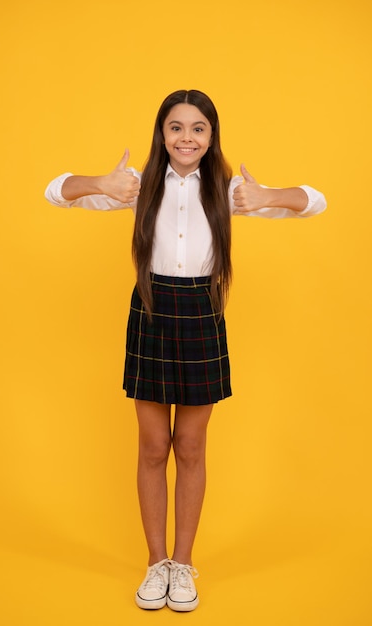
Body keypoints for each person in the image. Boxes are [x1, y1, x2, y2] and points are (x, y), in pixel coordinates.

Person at [45, 89, 326, 612]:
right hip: (151, 311)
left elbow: (315, 200)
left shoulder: (229, 189)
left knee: (190, 447)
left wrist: (267, 197)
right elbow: (55, 191)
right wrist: (100, 184)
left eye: (198, 128)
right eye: (176, 127)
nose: (187, 138)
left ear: (211, 135)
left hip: (201, 312)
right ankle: (155, 565)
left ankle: (182, 564)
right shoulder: (138, 184)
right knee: (153, 446)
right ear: (162, 133)